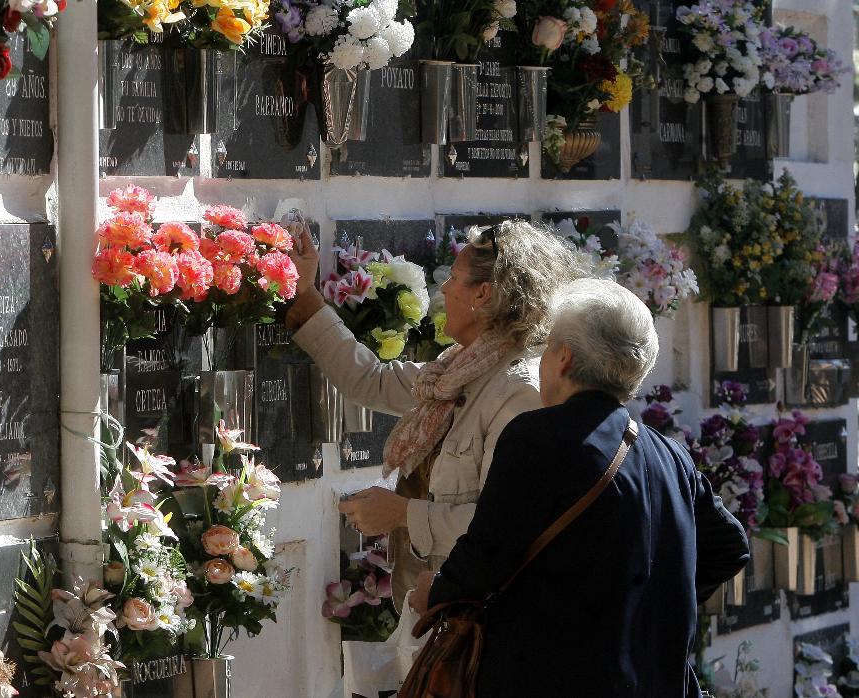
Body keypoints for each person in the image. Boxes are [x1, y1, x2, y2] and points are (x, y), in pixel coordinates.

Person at [408, 278, 750, 696]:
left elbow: (487, 553)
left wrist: (437, 592)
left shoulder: (538, 437)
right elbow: (729, 545)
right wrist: (647, 611)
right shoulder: (669, 456)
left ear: (564, 357)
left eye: (547, 347)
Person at [285, 219, 580, 609]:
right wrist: (304, 293)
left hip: (474, 611)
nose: (444, 287)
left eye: (455, 278)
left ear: (483, 294)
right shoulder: (459, 369)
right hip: (437, 603)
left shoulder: (518, 394)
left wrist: (402, 513)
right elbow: (370, 381)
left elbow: (503, 525)